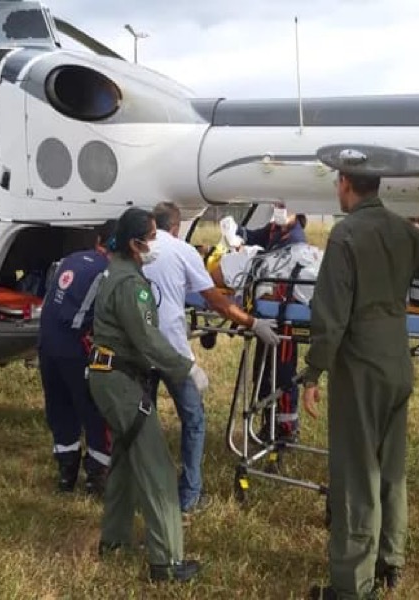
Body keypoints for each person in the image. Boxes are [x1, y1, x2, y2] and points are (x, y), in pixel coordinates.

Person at [302, 160, 419, 599]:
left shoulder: (346, 234)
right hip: (396, 358)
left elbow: (330, 314)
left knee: (356, 471)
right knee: (391, 466)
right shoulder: (404, 229)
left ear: (346, 184)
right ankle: (391, 561)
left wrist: (314, 371)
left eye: (337, 182)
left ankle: (352, 585)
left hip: (361, 363)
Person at [87, 207, 206, 583]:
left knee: (123, 461)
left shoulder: (122, 273)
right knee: (157, 469)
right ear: (134, 242)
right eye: (151, 237)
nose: (155, 243)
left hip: (111, 376)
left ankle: (116, 539)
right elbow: (148, 340)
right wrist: (186, 368)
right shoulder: (130, 285)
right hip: (120, 382)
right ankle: (167, 562)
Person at [143, 201, 280, 515]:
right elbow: (216, 301)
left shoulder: (139, 248)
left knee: (142, 420)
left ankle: (144, 486)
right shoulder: (182, 251)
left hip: (140, 346)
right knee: (193, 420)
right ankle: (189, 497)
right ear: (176, 227)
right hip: (173, 352)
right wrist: (252, 321)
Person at [37, 219, 117, 495]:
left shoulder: (70, 260)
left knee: (59, 408)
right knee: (94, 410)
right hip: (75, 348)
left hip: (46, 344)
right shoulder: (108, 272)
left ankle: (66, 473)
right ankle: (96, 476)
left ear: (98, 241)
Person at [231, 202, 308, 443]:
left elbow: (273, 260)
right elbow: (255, 236)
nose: (279, 210)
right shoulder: (275, 229)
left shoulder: (295, 239)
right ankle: (269, 422)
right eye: (277, 205)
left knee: (282, 374)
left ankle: (286, 429)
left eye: (284, 206)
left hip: (283, 315)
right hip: (267, 313)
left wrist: (251, 254)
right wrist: (237, 233)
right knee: (263, 373)